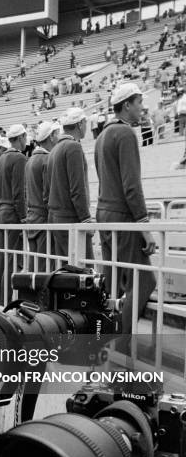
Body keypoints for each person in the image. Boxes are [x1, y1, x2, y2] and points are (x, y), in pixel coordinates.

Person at [94, 83, 156, 335]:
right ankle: (118, 339)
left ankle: (103, 334)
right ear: (127, 104)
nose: (142, 107)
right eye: (139, 101)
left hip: (104, 213)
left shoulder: (102, 135)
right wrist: (145, 227)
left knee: (112, 282)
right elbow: (131, 186)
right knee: (144, 281)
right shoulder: (126, 134)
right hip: (122, 216)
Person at [47, 108, 93, 263]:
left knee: (64, 270)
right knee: (83, 271)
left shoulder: (55, 149)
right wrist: (86, 219)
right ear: (80, 124)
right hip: (70, 218)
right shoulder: (73, 147)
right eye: (85, 122)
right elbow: (77, 188)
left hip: (57, 218)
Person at [0, 124, 27, 301]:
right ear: (21, 137)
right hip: (11, 214)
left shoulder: (2, 159)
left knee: (3, 259)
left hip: (1, 212)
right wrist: (23, 217)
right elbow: (19, 193)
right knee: (13, 259)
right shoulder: (19, 158)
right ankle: (5, 300)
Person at [25, 121, 60, 271]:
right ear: (51, 136)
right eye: (57, 133)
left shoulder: (30, 160)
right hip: (43, 218)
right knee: (45, 267)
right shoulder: (46, 160)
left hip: (32, 217)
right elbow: (48, 195)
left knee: (34, 264)